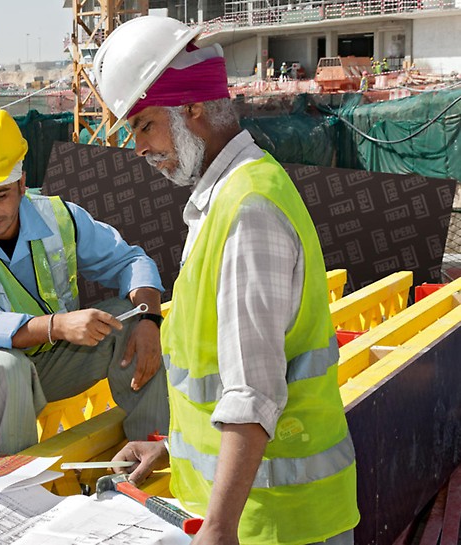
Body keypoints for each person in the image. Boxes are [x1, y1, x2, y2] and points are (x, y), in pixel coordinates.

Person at [92, 16, 358, 544]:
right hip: (256, 514)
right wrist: (168, 446)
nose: (138, 148)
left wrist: (217, 528)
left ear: (191, 111)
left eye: (145, 125)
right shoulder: (228, 201)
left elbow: (252, 394)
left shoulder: (247, 212)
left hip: (275, 523)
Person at [0, 105, 169, 455]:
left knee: (131, 319)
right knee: (6, 366)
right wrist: (59, 325)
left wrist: (150, 319)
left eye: (1, 194)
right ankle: (15, 480)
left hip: (43, 361)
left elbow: (130, 261)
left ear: (21, 181)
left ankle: (149, 446)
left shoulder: (59, 218)